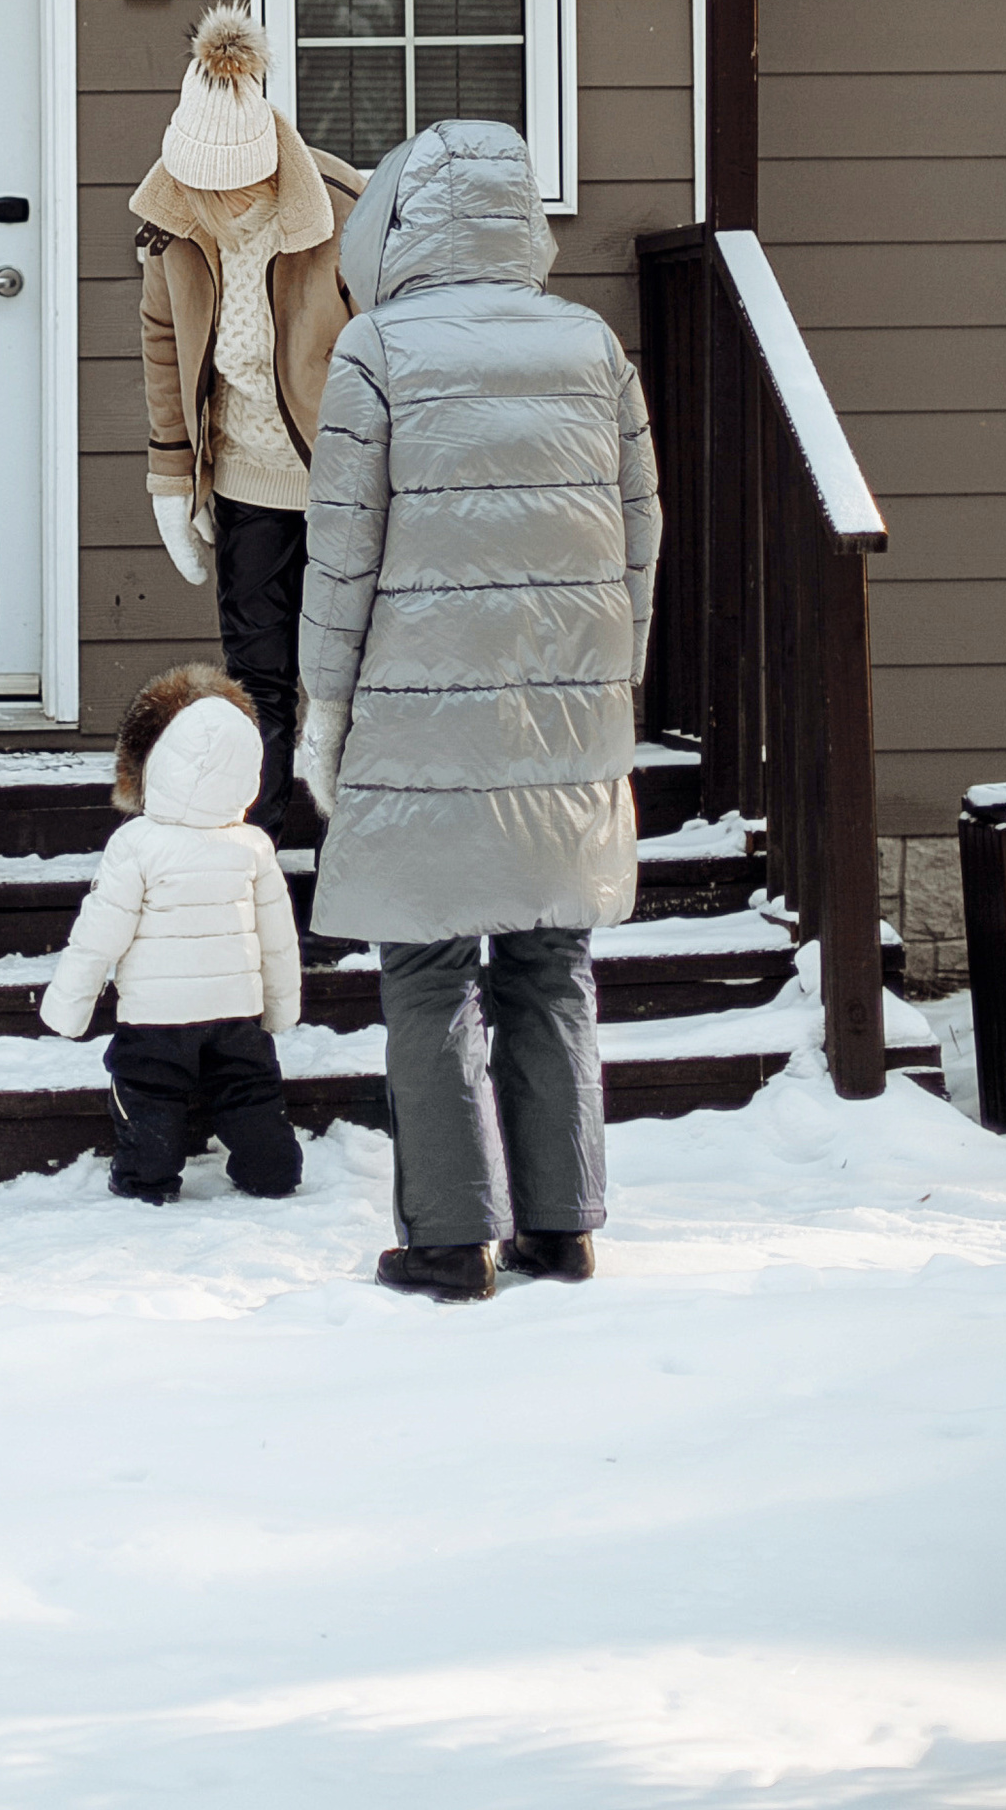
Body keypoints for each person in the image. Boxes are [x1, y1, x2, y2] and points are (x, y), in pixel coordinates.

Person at [296, 117, 662, 1304]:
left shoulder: (376, 348)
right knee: (550, 962)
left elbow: (341, 559)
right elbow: (640, 534)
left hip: (418, 715)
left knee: (426, 968)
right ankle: (560, 1226)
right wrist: (611, 681)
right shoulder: (590, 345)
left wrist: (323, 709)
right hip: (567, 712)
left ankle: (449, 1240)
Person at [132, 3, 361, 835]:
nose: (221, 202)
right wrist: (170, 476)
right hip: (245, 478)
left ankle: (356, 848)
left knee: (348, 671)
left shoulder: (343, 209)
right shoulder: (173, 218)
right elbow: (163, 342)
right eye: (204, 185)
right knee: (257, 669)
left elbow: (388, 350)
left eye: (236, 184)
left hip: (343, 481)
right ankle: (256, 848)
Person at [40, 665, 303, 1204]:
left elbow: (99, 933)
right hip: (236, 1012)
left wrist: (68, 1007)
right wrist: (279, 1010)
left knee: (148, 1089)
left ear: (157, 764)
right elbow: (279, 939)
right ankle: (271, 1170)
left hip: (157, 1016)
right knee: (249, 1089)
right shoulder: (252, 845)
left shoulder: (137, 842)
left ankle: (146, 1178)